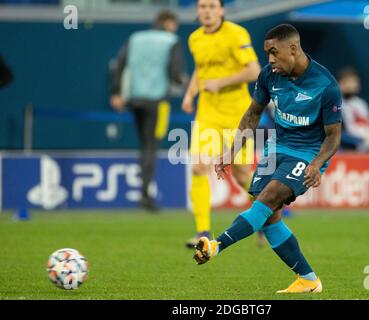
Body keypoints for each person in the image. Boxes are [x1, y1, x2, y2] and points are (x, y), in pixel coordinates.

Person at [193, 24, 342, 294]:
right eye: (267, 53)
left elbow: (333, 136)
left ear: (293, 49)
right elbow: (252, 114)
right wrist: (231, 151)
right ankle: (308, 279)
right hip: (277, 149)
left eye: (274, 53)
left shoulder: (325, 84)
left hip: (308, 154)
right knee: (269, 216)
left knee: (268, 199)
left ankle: (215, 245)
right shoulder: (269, 76)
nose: (270, 59)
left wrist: (317, 164)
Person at [182, 0, 260, 247]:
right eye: (202, 6)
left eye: (212, 6)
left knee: (241, 174)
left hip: (238, 116)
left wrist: (221, 82)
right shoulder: (195, 38)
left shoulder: (236, 34)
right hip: (208, 114)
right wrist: (189, 92)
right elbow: (201, 68)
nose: (206, 10)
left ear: (222, 10)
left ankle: (265, 216)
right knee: (198, 166)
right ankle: (202, 232)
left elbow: (254, 71)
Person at [110, 10, 187, 211]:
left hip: (134, 100)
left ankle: (144, 192)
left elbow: (118, 65)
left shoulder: (135, 38)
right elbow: (175, 72)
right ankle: (145, 195)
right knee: (151, 145)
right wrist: (187, 85)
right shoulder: (171, 40)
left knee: (144, 144)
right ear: (169, 24)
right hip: (157, 101)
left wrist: (116, 92)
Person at [337, 67, 369, 151]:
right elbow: (337, 133)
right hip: (349, 143)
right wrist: (358, 141)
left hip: (368, 139)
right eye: (350, 82)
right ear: (340, 84)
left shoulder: (360, 103)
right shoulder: (335, 104)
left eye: (356, 82)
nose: (354, 85)